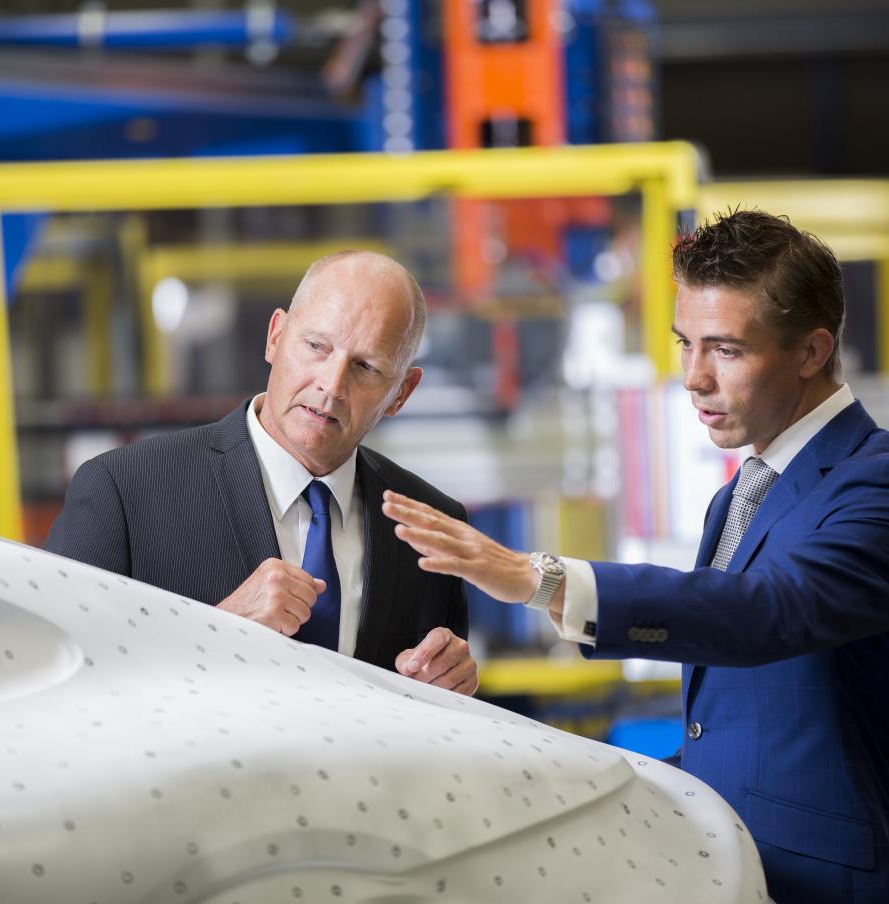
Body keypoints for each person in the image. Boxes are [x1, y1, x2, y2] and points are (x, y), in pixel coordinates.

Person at [382, 210, 889, 902]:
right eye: (686, 343)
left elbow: (770, 612)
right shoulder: (742, 494)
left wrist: (539, 578)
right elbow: (733, 725)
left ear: (810, 351)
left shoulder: (874, 480)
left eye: (726, 350)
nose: (693, 377)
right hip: (738, 872)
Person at [46, 250, 477, 695]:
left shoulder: (433, 528)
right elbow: (52, 674)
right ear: (275, 336)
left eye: (366, 367)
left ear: (401, 393)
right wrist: (219, 630)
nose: (331, 386)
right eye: (316, 347)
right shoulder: (124, 489)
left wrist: (451, 690)